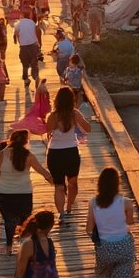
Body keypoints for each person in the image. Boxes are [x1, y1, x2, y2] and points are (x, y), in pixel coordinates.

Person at [86, 167, 136, 278]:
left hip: (105, 249)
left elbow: (88, 229)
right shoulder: (126, 202)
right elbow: (130, 221)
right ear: (117, 183)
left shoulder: (93, 202)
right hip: (124, 247)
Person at [0, 129, 52, 255]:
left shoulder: (3, 154)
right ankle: (25, 245)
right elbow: (41, 170)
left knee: (8, 220)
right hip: (24, 193)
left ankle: (8, 247)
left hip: (5, 193)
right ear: (26, 141)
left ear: (11, 139)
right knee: (25, 221)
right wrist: (52, 180)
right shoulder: (29, 156)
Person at [45, 87, 93, 224]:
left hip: (55, 153)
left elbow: (48, 134)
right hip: (71, 152)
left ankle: (61, 213)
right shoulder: (75, 114)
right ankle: (69, 207)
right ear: (72, 99)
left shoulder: (52, 116)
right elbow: (88, 129)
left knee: (59, 186)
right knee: (73, 183)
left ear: (57, 100)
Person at [13, 8, 41, 85]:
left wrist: (18, 40)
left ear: (22, 15)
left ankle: (26, 79)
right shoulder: (32, 22)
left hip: (23, 47)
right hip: (33, 45)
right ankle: (35, 76)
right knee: (34, 61)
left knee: (24, 64)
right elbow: (36, 33)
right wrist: (38, 44)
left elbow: (16, 33)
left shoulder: (18, 23)